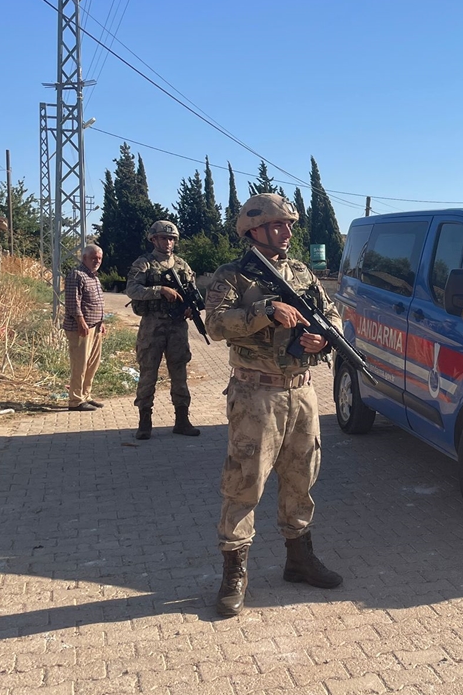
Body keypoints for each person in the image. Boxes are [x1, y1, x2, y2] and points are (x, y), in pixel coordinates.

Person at [204, 193, 344, 617]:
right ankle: (234, 571)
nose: (286, 232)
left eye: (288, 225)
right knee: (245, 482)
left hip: (301, 390)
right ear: (253, 230)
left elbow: (332, 313)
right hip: (256, 393)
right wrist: (265, 310)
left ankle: (299, 559)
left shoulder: (301, 271)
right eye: (277, 225)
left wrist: (327, 336)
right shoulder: (233, 275)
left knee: (302, 477)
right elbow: (214, 324)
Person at [125, 220, 201, 440]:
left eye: (171, 238)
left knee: (179, 372)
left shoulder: (182, 265)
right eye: (163, 238)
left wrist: (190, 308)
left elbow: (193, 292)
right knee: (148, 372)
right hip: (152, 324)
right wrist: (160, 290)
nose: (167, 242)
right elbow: (132, 289)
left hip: (177, 326)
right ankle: (145, 421)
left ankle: (182, 420)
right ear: (153, 239)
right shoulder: (144, 264)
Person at [63, 245, 106, 411]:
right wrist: (81, 323)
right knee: (79, 365)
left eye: (99, 258)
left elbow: (96, 303)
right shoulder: (76, 275)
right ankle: (75, 401)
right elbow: (73, 303)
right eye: (93, 258)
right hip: (80, 328)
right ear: (84, 258)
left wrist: (101, 323)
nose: (97, 261)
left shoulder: (94, 277)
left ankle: (86, 395)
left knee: (92, 364)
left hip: (95, 327)